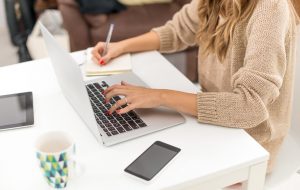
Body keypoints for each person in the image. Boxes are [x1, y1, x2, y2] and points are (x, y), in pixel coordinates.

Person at [92, 0, 299, 177]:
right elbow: (176, 31)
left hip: (250, 142)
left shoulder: (270, 9)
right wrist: (122, 46)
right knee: (125, 149)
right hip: (214, 123)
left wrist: (160, 96)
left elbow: (250, 107)